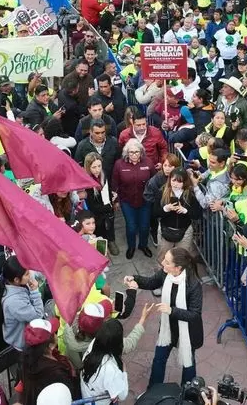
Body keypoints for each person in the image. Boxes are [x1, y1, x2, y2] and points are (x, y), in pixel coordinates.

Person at [124, 247, 203, 388]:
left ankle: (189, 395)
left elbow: (195, 315)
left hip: (187, 332)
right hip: (168, 328)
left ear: (177, 267)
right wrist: (134, 278)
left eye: (167, 262)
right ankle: (153, 390)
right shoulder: (166, 273)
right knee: (159, 359)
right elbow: (151, 282)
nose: (162, 263)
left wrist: (171, 310)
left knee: (188, 364)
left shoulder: (194, 285)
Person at [111, 138, 155, 259]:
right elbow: (114, 183)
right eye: (131, 152)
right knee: (131, 226)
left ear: (141, 152)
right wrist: (115, 201)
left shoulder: (148, 163)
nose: (134, 154)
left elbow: (155, 181)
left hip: (145, 201)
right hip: (127, 201)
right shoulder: (119, 164)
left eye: (136, 152)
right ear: (126, 153)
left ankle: (143, 245)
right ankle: (131, 247)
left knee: (145, 226)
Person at [21, 318, 80, 404]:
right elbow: (71, 395)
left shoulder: (26, 359)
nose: (56, 334)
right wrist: (73, 374)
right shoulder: (56, 372)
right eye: (54, 333)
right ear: (50, 345)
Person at [0, 256, 45, 351]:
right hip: (21, 343)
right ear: (16, 280)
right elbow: (38, 315)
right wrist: (35, 291)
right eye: (27, 274)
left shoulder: (12, 283)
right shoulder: (14, 302)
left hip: (24, 330)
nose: (30, 276)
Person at [80, 319, 129, 405]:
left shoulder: (93, 344)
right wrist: (124, 372)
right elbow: (122, 395)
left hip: (87, 396)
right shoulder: (110, 369)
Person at [154, 167, 199, 261]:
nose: (175, 184)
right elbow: (154, 213)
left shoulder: (190, 194)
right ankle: (162, 274)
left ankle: (181, 275)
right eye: (173, 180)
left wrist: (185, 210)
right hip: (165, 229)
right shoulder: (162, 192)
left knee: (182, 258)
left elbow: (197, 214)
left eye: (179, 181)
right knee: (163, 258)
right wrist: (166, 208)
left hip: (185, 230)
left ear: (184, 182)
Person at [82, 152, 118, 255]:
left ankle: (111, 241)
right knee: (99, 228)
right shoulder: (86, 182)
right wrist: (108, 206)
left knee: (110, 225)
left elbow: (108, 188)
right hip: (96, 212)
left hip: (107, 206)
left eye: (99, 166)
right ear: (88, 167)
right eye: (94, 167)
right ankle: (101, 246)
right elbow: (92, 205)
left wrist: (112, 198)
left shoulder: (103, 174)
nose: (97, 169)